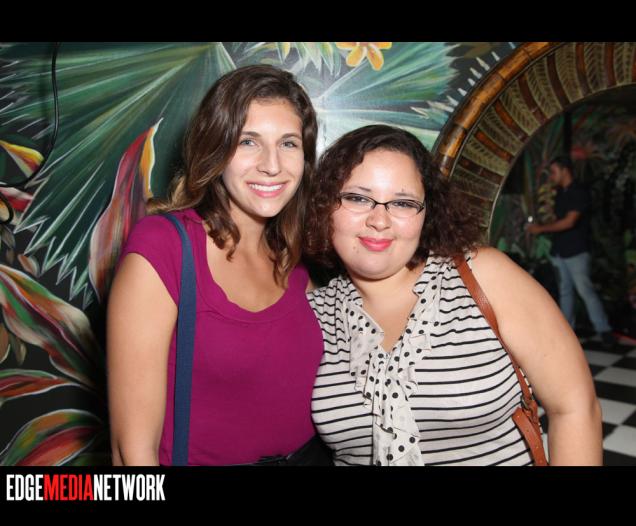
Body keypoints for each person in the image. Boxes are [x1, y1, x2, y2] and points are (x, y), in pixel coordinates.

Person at [304, 125, 603, 466]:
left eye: (403, 202)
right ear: (325, 205)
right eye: (357, 198)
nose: (379, 220)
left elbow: (575, 405)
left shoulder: (485, 276)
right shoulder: (312, 313)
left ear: (427, 213)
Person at [107, 64, 332, 466]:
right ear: (216, 149)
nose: (272, 165)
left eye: (288, 143)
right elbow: (131, 453)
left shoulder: (294, 258)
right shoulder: (164, 248)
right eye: (248, 141)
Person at [526, 155, 616, 349]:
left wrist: (540, 229)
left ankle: (605, 331)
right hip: (560, 250)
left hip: (576, 251)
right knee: (565, 291)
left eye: (553, 172)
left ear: (564, 170)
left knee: (585, 291)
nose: (551, 176)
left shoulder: (579, 192)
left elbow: (569, 222)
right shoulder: (561, 192)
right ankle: (567, 331)